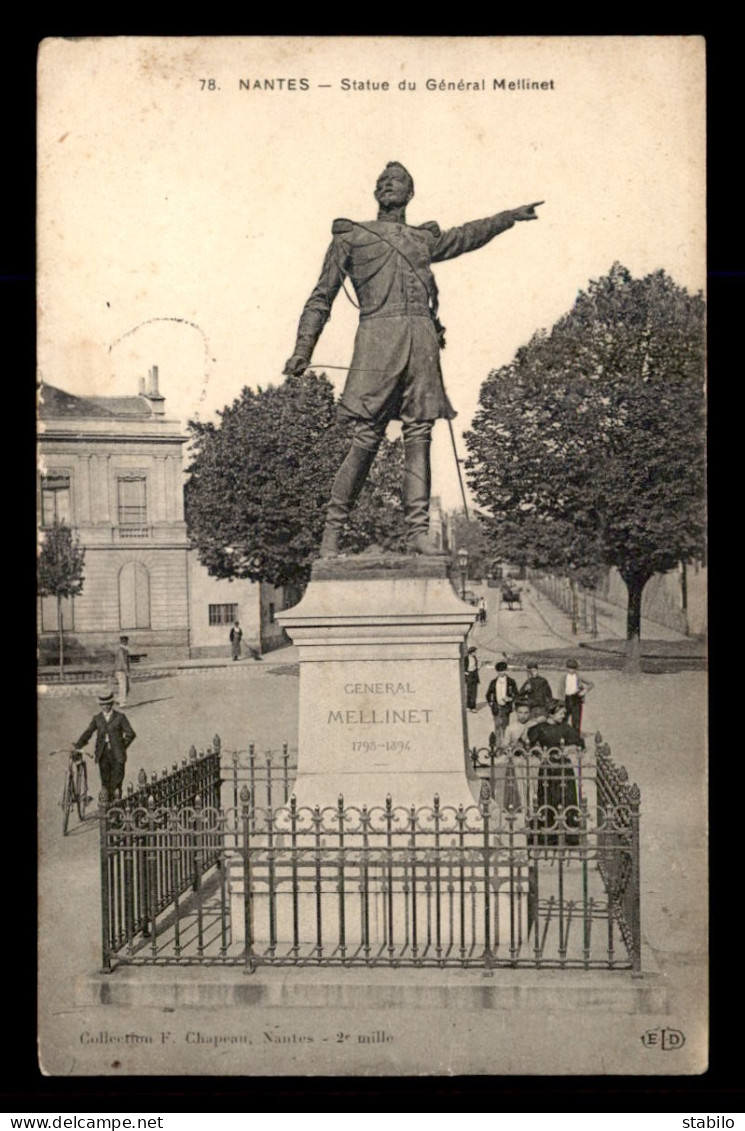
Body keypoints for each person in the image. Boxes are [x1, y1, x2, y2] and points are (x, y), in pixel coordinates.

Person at [284, 162, 542, 556]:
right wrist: (303, 349)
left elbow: (468, 236)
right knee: (365, 440)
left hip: (421, 344)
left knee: (419, 435)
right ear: (375, 193)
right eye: (383, 182)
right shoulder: (351, 236)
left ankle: (418, 532)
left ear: (410, 193)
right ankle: (332, 534)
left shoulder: (423, 240)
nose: (389, 185)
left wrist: (507, 218)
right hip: (376, 342)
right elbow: (322, 297)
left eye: (398, 181)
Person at [527, 699, 582, 847]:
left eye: (564, 713)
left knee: (566, 798)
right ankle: (548, 835)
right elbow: (528, 744)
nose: (563, 716)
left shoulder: (566, 728)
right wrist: (538, 752)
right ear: (551, 713)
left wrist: (570, 749)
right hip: (547, 768)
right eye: (560, 713)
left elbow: (580, 743)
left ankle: (569, 835)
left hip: (564, 767)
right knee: (547, 798)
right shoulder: (540, 728)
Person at [72, 689, 136, 800]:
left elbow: (131, 734)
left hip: (118, 755)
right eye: (103, 704)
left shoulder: (120, 717)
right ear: (100, 705)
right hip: (103, 754)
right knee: (105, 783)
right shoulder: (97, 719)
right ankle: (106, 810)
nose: (105, 707)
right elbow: (88, 732)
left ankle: (116, 812)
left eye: (107, 704)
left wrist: (121, 746)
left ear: (111, 704)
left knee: (116, 784)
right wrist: (78, 745)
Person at [485, 661, 519, 744]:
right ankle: (497, 746)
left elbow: (517, 694)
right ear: (497, 671)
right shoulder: (493, 682)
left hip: (506, 708)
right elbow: (488, 694)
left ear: (506, 670)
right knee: (497, 727)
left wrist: (510, 699)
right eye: (499, 671)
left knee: (505, 727)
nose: (501, 673)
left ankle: (505, 746)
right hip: (496, 707)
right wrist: (491, 703)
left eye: (503, 671)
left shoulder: (511, 681)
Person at [557, 659, 595, 733]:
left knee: (576, 720)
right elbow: (560, 691)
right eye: (570, 668)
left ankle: (576, 737)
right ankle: (563, 735)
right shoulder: (563, 678)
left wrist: (584, 691)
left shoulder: (579, 676)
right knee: (564, 718)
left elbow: (591, 684)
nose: (571, 670)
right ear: (567, 668)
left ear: (576, 669)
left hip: (576, 699)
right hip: (566, 699)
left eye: (573, 669)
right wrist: (560, 701)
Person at [114, 634, 131, 708]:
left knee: (125, 686)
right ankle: (122, 703)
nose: (127, 643)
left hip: (121, 670)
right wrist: (127, 671)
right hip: (121, 670)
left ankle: (118, 700)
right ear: (123, 642)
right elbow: (123, 661)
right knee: (123, 686)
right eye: (126, 641)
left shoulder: (124, 650)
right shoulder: (121, 650)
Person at [464, 645, 480, 711]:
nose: (476, 653)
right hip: (469, 675)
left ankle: (473, 707)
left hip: (474, 675)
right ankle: (468, 706)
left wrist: (478, 668)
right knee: (469, 691)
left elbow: (475, 667)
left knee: (474, 692)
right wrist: (466, 673)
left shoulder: (475, 658)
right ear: (471, 652)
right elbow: (464, 667)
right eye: (475, 652)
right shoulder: (466, 658)